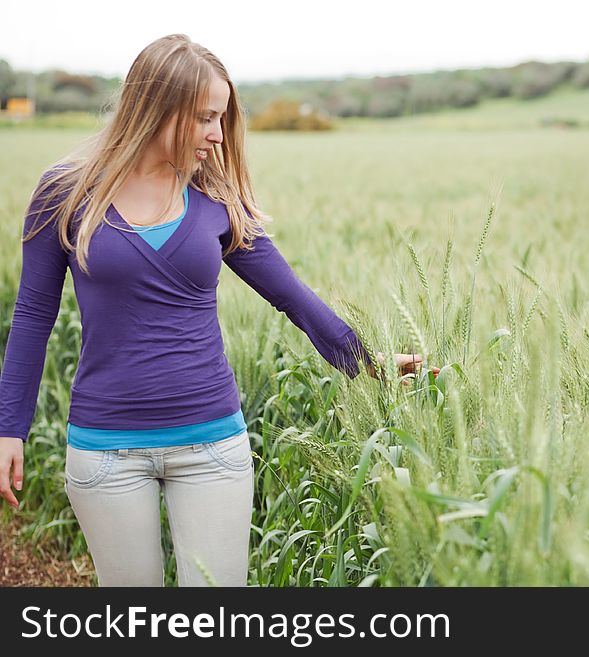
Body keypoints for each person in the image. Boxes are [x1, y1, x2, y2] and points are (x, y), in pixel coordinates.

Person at [0, 34, 439, 587]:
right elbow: (34, 314)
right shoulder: (64, 191)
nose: (217, 133)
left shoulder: (215, 198)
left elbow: (291, 296)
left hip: (212, 446)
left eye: (222, 118)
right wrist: (7, 427)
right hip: (107, 448)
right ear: (157, 107)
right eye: (205, 117)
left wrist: (366, 362)